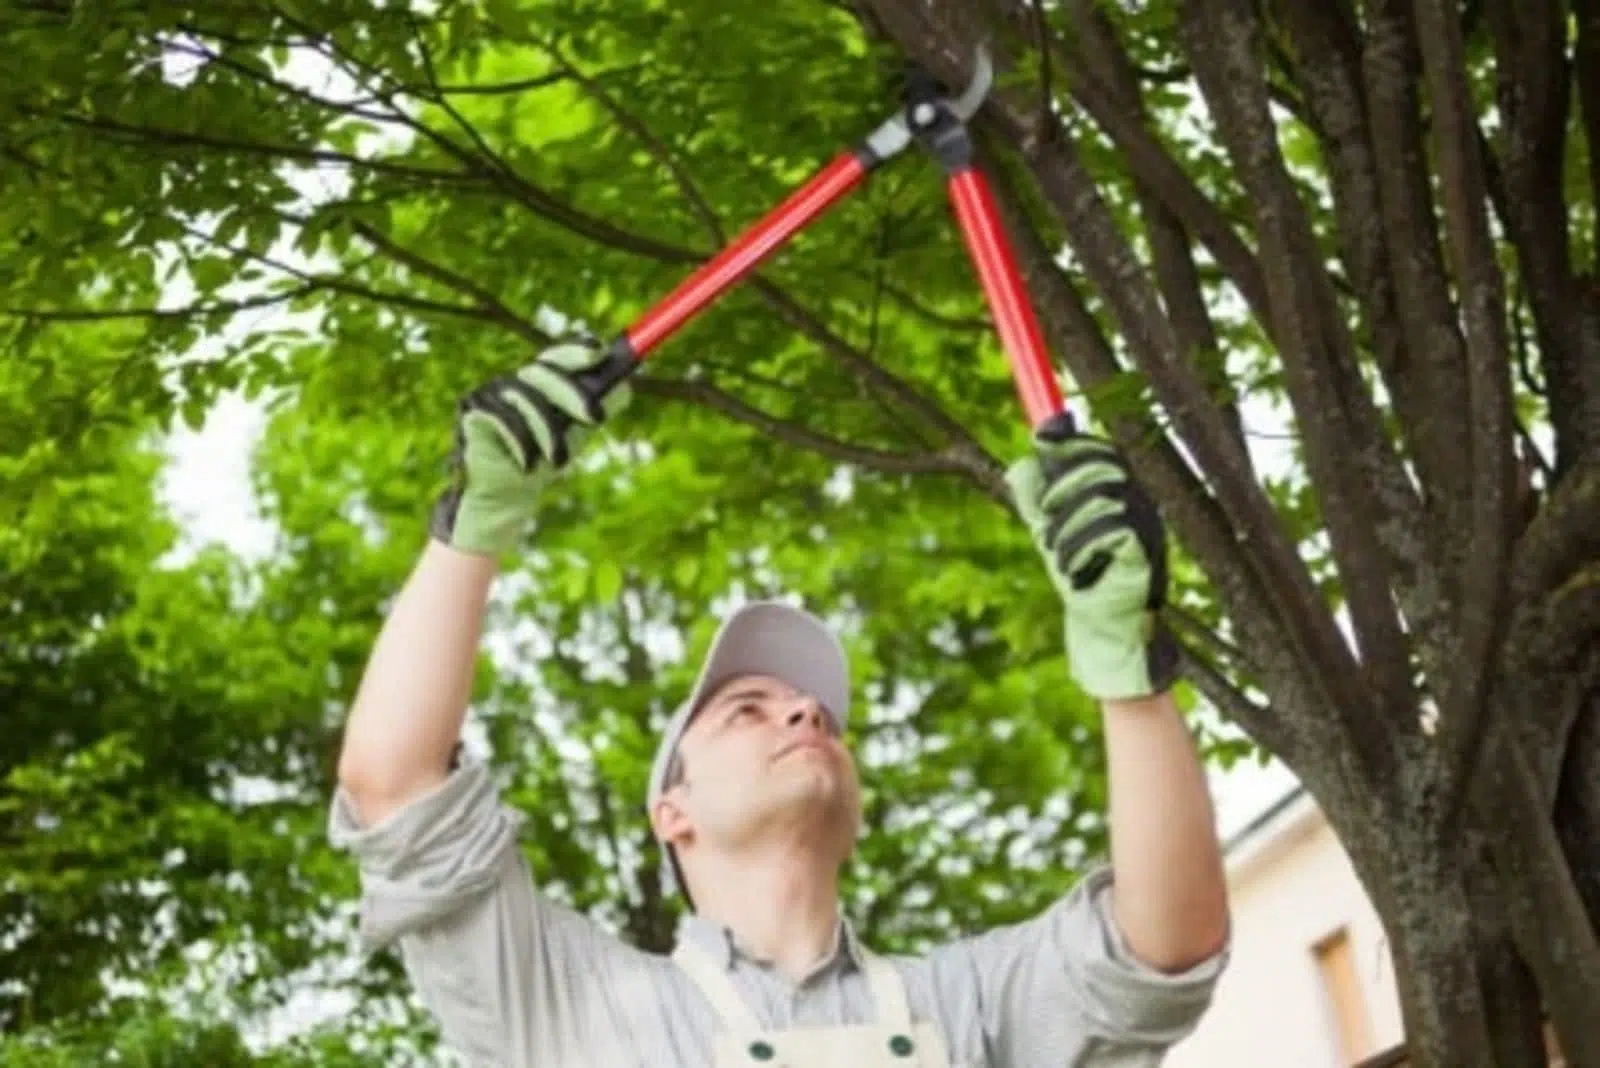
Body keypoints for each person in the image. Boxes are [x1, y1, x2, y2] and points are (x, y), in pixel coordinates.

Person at [329, 341, 1231, 1068]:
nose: (803, 715)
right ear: (669, 812)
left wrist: (1127, 662)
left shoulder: (969, 1004)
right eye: (747, 710)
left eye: (819, 717)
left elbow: (1166, 945)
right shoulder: (572, 1005)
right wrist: (473, 525)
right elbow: (395, 787)